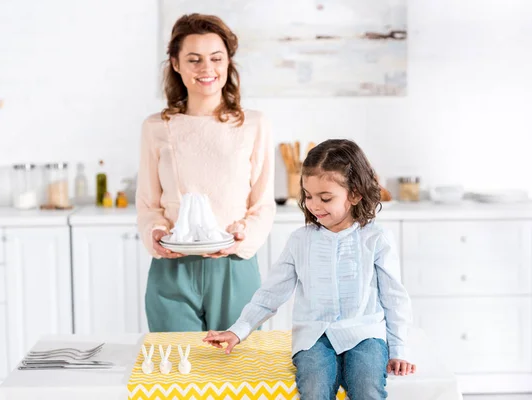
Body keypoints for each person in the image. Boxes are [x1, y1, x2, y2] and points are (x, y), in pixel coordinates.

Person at [204, 139, 416, 400]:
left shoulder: (376, 239)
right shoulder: (300, 241)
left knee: (366, 385)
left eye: (325, 198)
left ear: (355, 194)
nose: (314, 205)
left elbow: (394, 299)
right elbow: (271, 293)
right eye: (307, 196)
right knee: (314, 387)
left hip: (364, 333)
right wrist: (239, 329)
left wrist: (399, 350)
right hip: (314, 336)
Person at [135, 13, 275, 333]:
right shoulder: (156, 127)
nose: (206, 69)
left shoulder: (254, 124)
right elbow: (147, 204)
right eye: (194, 59)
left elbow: (263, 205)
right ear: (175, 64)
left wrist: (242, 235)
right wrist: (154, 232)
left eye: (216, 58)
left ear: (228, 62)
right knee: (176, 376)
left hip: (234, 266)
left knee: (237, 376)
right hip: (172, 267)